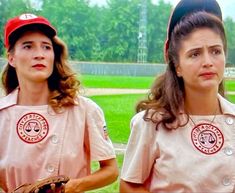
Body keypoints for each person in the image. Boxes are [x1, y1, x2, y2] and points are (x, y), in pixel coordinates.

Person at [120, 0, 235, 192]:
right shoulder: (150, 123)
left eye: (215, 51)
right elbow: (130, 186)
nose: (208, 62)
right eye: (195, 54)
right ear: (177, 65)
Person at [0, 13, 118, 193]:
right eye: (28, 46)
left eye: (46, 47)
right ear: (11, 58)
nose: (39, 54)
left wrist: (75, 186)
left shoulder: (83, 109)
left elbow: (111, 170)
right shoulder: (2, 114)